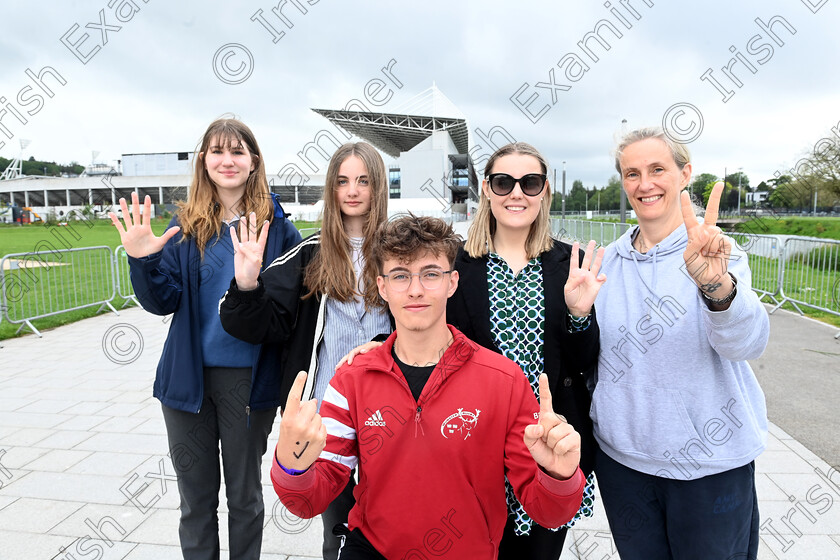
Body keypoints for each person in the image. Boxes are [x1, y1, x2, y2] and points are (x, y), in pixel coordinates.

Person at [341, 142, 605, 559]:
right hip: (471, 440)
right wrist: (374, 349)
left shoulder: (568, 263)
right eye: (504, 182)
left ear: (545, 191)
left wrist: (578, 313)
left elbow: (584, 361)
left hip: (542, 442)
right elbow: (421, 326)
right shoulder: (457, 262)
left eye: (530, 182)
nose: (516, 193)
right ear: (486, 189)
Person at [272, 214, 586, 560]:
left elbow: (550, 512)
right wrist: (292, 464)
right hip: (372, 550)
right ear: (382, 286)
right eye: (400, 275)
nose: (416, 289)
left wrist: (560, 475)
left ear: (453, 283)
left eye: (430, 274)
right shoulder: (351, 379)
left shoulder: (504, 380)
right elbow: (308, 500)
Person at [109, 117, 302, 560]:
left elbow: (282, 315)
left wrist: (249, 283)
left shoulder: (278, 229)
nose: (227, 160)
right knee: (195, 502)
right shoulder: (186, 228)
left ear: (254, 162)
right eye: (217, 151)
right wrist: (142, 261)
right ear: (204, 161)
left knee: (244, 498)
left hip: (249, 384)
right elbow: (163, 301)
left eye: (238, 151)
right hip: (188, 382)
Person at [590, 126, 769, 559]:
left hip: (710, 465)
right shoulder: (604, 264)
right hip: (624, 465)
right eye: (632, 173)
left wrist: (716, 287)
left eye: (657, 169)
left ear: (685, 173)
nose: (644, 183)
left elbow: (747, 343)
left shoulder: (717, 254)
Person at [218, 141, 391, 560]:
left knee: (391, 519)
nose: (353, 190)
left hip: (392, 411)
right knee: (338, 531)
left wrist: (385, 346)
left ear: (378, 187)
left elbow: (432, 317)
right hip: (329, 415)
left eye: (363, 181)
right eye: (343, 181)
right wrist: (245, 284)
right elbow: (261, 322)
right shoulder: (311, 255)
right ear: (331, 189)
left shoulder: (398, 250)